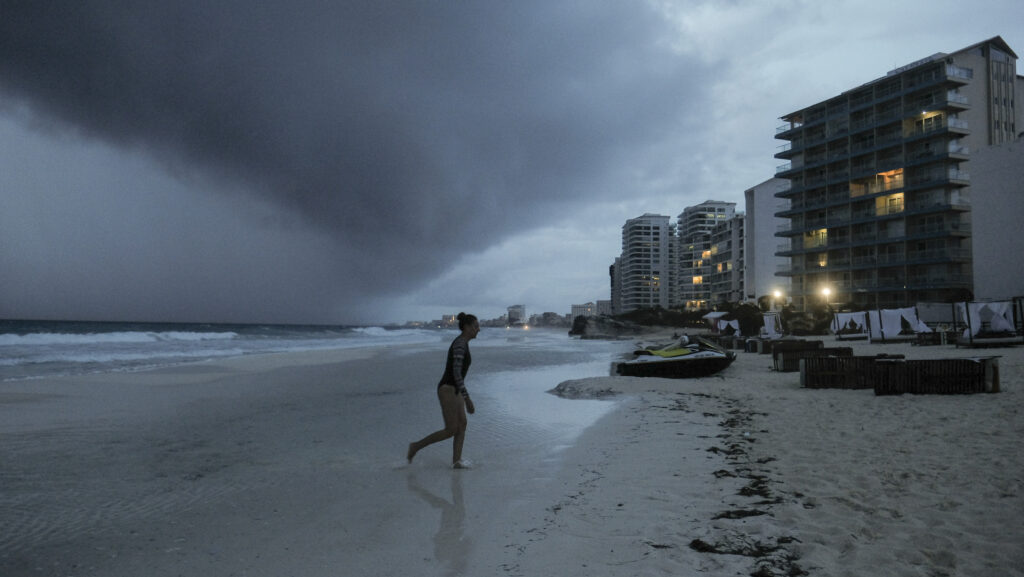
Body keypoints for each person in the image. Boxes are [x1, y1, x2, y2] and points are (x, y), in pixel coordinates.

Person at [407, 312, 479, 468]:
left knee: (462, 424)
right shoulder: (460, 344)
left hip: (455, 389)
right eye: (475, 326)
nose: (478, 329)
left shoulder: (463, 343)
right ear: (466, 327)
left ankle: (457, 461)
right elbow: (456, 373)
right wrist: (467, 399)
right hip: (447, 389)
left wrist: (462, 394)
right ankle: (415, 446)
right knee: (451, 429)